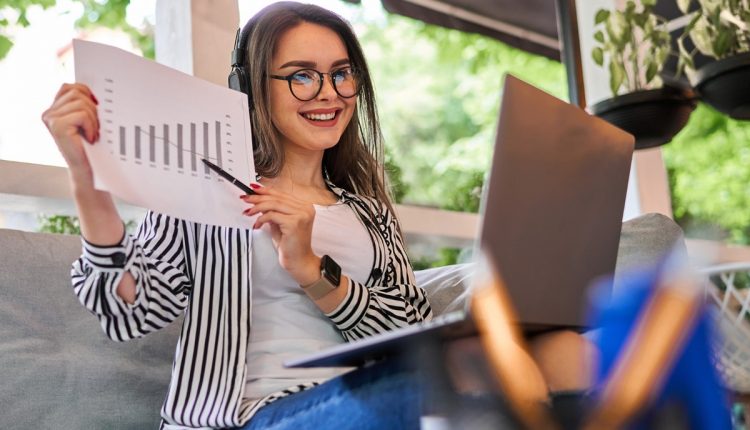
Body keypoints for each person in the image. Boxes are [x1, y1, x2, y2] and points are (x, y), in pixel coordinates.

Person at [42, 2, 593, 429]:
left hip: (368, 391)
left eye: (341, 74)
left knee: (572, 352)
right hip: (258, 414)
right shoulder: (204, 193)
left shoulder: (369, 215)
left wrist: (312, 268)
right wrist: (87, 181)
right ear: (254, 85)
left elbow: (408, 328)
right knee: (468, 370)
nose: (327, 93)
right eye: (301, 75)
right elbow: (127, 315)